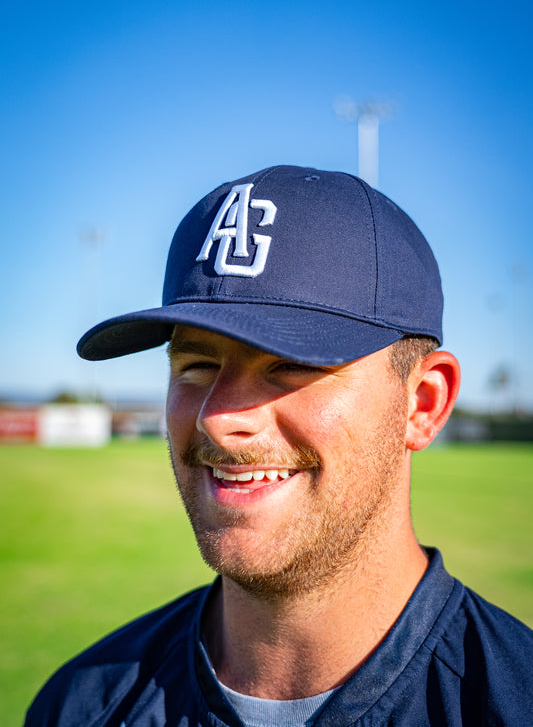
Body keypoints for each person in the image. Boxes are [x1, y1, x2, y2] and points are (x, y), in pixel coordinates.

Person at [25, 166, 532, 726]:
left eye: (291, 365)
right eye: (197, 365)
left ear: (423, 404)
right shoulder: (79, 704)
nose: (218, 420)